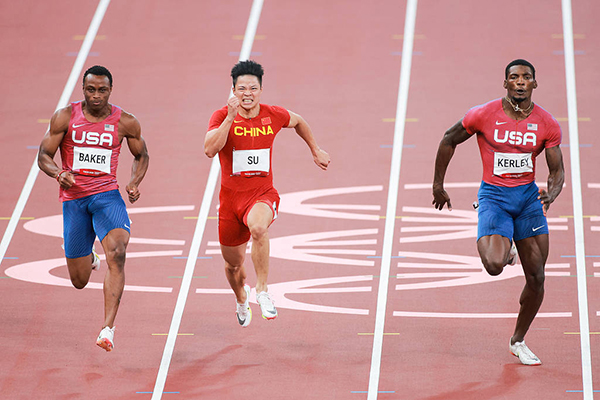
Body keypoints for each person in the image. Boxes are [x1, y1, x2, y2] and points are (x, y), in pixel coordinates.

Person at [432, 59, 564, 365]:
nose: (520, 81)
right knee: (493, 265)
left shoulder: (547, 123)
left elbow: (557, 170)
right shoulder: (483, 114)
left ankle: (518, 340)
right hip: (494, 197)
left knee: (537, 277)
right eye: (514, 77)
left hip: (528, 201)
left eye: (526, 77)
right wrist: (438, 185)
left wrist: (552, 193)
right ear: (505, 83)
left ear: (534, 83)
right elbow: (449, 139)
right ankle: (506, 247)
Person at [205, 60, 330, 327]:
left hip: (262, 194)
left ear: (261, 90)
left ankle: (262, 290)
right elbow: (209, 149)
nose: (247, 94)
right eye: (241, 89)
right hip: (230, 203)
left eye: (253, 88)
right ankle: (242, 297)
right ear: (233, 91)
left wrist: (315, 149)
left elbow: (299, 121)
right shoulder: (221, 116)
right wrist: (230, 118)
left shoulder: (273, 114)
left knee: (259, 228)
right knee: (233, 266)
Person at [38, 65, 149, 351]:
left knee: (118, 252)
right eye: (90, 90)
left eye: (102, 90)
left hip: (107, 196)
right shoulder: (65, 117)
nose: (96, 95)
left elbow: (141, 155)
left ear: (110, 90)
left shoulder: (126, 122)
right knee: (79, 281)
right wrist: (57, 173)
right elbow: (44, 154)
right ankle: (89, 256)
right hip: (74, 199)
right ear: (83, 89)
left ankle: (107, 328)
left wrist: (134, 182)